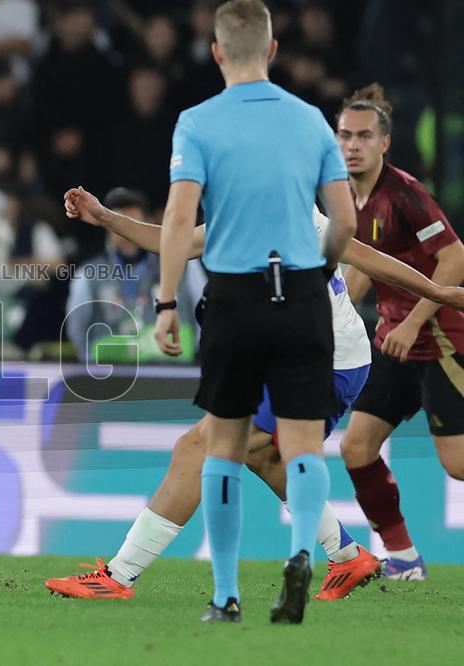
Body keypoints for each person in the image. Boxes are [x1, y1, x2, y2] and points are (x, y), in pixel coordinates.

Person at [48, 187, 464, 602]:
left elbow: (364, 255)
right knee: (261, 454)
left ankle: (119, 577)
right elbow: (173, 242)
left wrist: (440, 293)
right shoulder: (247, 208)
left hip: (326, 359)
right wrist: (104, 216)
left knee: (197, 447)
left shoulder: (291, 211)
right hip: (292, 358)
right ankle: (347, 556)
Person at [151, 0, 357, 623]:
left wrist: (165, 303)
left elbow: (181, 219)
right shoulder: (313, 121)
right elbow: (344, 220)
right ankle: (301, 557)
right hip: (300, 294)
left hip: (236, 295)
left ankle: (226, 593)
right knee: (302, 448)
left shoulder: (196, 122)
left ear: (216, 52)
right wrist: (317, 272)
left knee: (224, 447)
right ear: (272, 51)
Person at [336, 84, 464, 581]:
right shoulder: (346, 197)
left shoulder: (405, 193)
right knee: (357, 447)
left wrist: (413, 322)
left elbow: (455, 257)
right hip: (394, 342)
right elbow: (364, 266)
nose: (352, 145)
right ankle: (404, 559)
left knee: (456, 465)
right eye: (345, 135)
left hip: (443, 341)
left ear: (384, 143)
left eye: (364, 136)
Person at [64, 188, 205, 362]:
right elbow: (77, 329)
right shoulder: (88, 274)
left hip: (172, 372)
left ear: (148, 225)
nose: (125, 236)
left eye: (132, 226)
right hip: (110, 376)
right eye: (118, 229)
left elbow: (204, 315)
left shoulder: (186, 265)